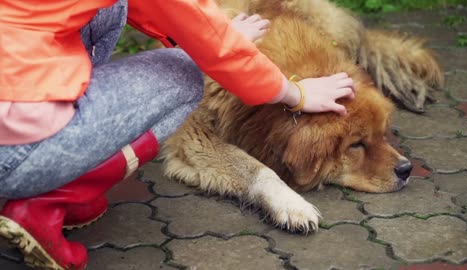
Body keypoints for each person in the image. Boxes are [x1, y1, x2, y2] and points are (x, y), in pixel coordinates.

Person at [0, 0, 355, 269]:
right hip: (16, 144)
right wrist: (297, 94)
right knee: (185, 72)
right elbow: (195, 25)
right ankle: (45, 200)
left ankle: (65, 176)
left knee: (109, 10)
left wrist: (215, 36)